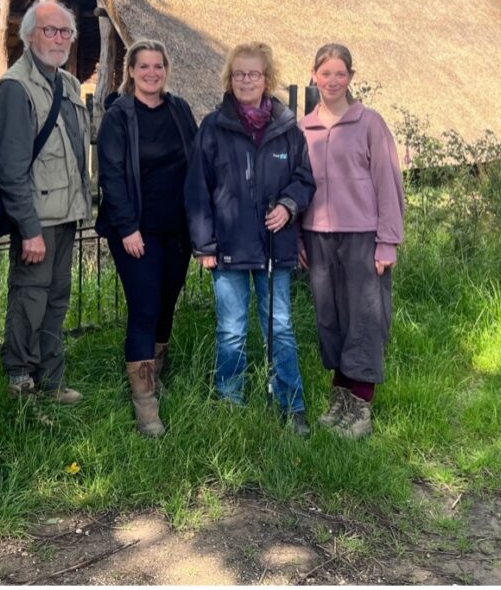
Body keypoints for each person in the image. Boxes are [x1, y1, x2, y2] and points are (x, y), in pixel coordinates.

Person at [184, 41, 315, 435]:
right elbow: (197, 189)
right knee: (231, 329)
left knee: (280, 327)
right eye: (239, 74)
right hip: (229, 248)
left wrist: (290, 205)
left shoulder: (288, 129)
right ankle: (230, 402)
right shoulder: (213, 126)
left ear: (267, 78)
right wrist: (205, 245)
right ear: (230, 78)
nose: (245, 80)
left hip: (277, 248)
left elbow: (305, 178)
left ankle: (291, 405)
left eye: (253, 74)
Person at [298, 43, 405, 438]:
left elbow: (388, 182)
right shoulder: (303, 128)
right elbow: (297, 184)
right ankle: (340, 398)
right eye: (325, 73)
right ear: (313, 75)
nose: (332, 80)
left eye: (340, 73)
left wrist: (387, 241)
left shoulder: (369, 123)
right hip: (318, 236)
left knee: (364, 319)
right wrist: (298, 237)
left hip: (362, 235)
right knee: (331, 319)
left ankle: (360, 408)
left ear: (351, 78)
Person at [0, 0, 90, 405]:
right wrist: (28, 228)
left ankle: (51, 380)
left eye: (65, 32)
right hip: (38, 218)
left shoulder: (67, 83)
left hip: (66, 213)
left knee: (56, 298)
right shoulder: (15, 88)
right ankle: (19, 382)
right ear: (29, 35)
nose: (59, 39)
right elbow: (11, 169)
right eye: (50, 30)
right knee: (30, 298)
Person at [96, 39, 198, 437]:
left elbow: (198, 160)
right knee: (144, 308)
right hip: (137, 232)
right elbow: (112, 175)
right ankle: (144, 404)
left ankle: (153, 374)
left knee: (167, 305)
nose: (152, 73)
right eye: (144, 67)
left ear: (165, 70)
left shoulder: (179, 110)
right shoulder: (119, 116)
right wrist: (127, 228)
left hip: (178, 230)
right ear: (131, 71)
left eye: (158, 66)